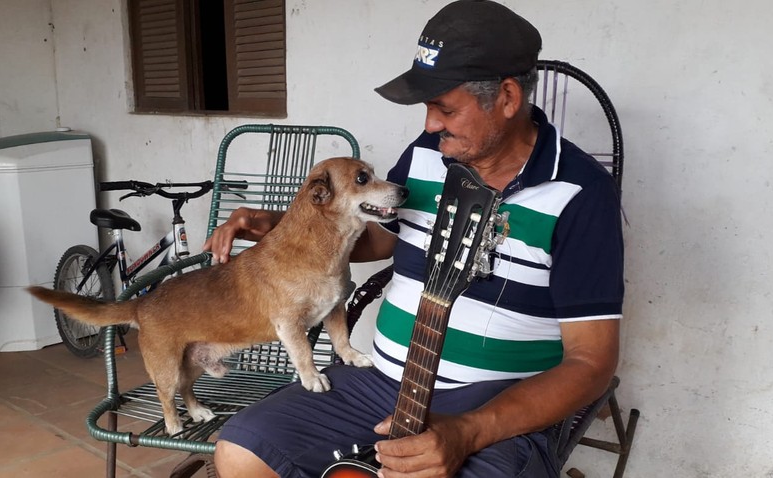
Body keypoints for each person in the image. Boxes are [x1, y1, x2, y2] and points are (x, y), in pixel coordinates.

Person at [204, 1, 623, 476]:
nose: (429, 125)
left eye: (445, 107)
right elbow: (379, 242)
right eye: (427, 107)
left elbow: (592, 362)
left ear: (507, 97)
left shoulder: (579, 193)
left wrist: (471, 430)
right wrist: (288, 228)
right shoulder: (430, 153)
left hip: (494, 404)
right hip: (381, 382)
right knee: (240, 453)